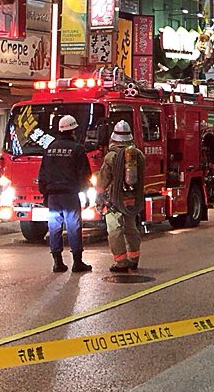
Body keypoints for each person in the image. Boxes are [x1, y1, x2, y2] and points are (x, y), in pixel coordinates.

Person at [37, 114, 92, 274]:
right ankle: (77, 262)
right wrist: (86, 194)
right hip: (70, 195)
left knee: (54, 227)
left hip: (53, 195)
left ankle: (57, 263)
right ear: (73, 131)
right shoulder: (77, 149)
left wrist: (45, 194)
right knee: (74, 227)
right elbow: (84, 175)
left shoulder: (49, 149)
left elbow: (43, 174)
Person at [97, 120, 145, 273]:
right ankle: (134, 258)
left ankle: (121, 262)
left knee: (115, 229)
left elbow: (103, 179)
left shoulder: (111, 157)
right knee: (131, 228)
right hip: (132, 199)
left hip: (115, 200)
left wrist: (99, 194)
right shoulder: (138, 155)